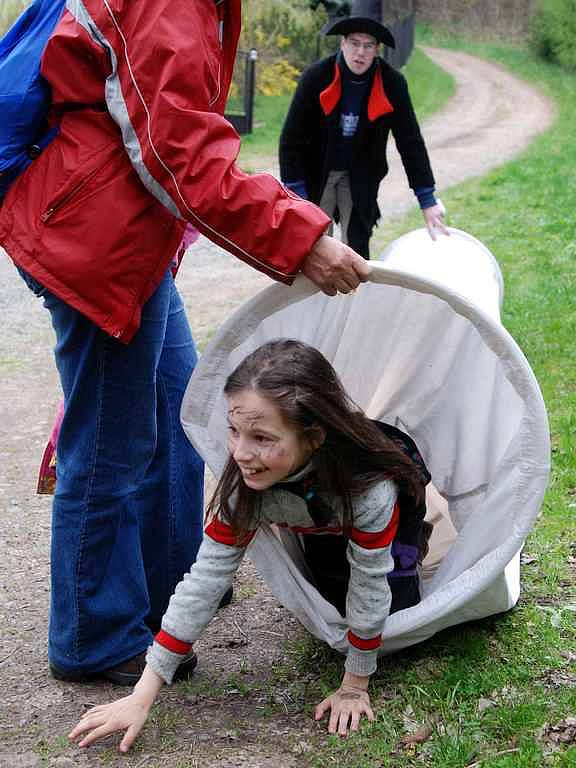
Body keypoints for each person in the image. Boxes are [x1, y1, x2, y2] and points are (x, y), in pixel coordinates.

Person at [0, 1, 370, 686]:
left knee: (181, 409)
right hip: (96, 241)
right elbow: (180, 152)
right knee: (112, 443)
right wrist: (302, 238)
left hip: (130, 231)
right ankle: (95, 634)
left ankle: (175, 584)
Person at [68, 338, 431, 748]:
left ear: (312, 437)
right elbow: (205, 580)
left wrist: (355, 683)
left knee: (391, 615)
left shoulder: (370, 491)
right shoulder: (247, 484)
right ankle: (325, 534)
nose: (241, 452)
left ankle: (415, 543)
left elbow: (369, 581)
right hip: (312, 510)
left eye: (261, 437)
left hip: (374, 499)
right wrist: (143, 693)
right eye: (234, 431)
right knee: (334, 602)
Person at [279, 0, 448, 259]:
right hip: (317, 169)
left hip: (361, 174)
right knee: (314, 244)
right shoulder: (316, 77)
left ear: (377, 50)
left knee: (356, 246)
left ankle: (354, 297)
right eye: (355, 43)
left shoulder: (392, 83)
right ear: (343, 43)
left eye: (368, 46)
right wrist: (296, 195)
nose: (361, 53)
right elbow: (291, 139)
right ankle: (314, 297)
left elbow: (410, 141)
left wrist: (427, 199)